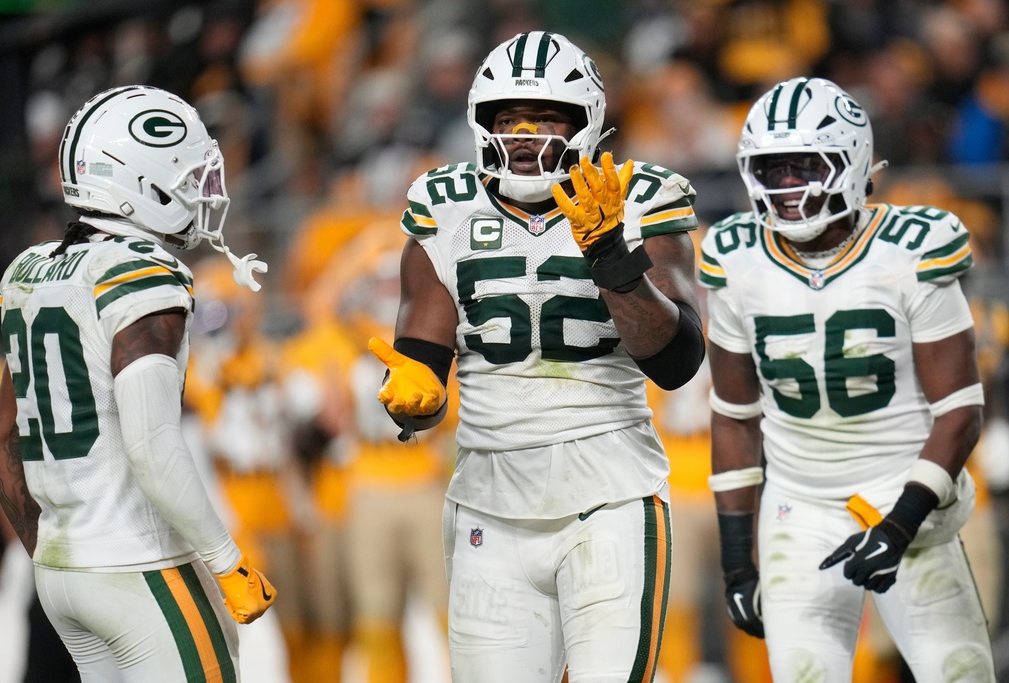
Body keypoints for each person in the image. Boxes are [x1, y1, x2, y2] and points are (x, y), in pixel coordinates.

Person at [368, 31, 705, 682]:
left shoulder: (642, 193)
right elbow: (419, 352)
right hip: (489, 504)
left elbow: (677, 358)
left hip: (610, 495)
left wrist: (611, 255)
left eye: (545, 118)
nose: (523, 135)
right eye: (508, 119)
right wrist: (409, 393)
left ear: (585, 123)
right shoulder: (445, 204)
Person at [700, 76, 997, 681]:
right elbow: (733, 416)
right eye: (772, 169)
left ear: (852, 160)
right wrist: (737, 563)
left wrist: (901, 522)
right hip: (799, 506)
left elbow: (962, 410)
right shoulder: (736, 258)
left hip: (907, 491)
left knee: (958, 672)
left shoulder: (910, 250)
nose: (788, 188)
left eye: (804, 166)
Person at [0, 85, 276, 682]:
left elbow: (2, 443)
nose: (202, 192)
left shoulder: (30, 270)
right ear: (141, 181)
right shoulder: (144, 274)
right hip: (141, 568)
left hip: (64, 574)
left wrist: (56, 555)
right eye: (190, 176)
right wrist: (226, 561)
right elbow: (150, 443)